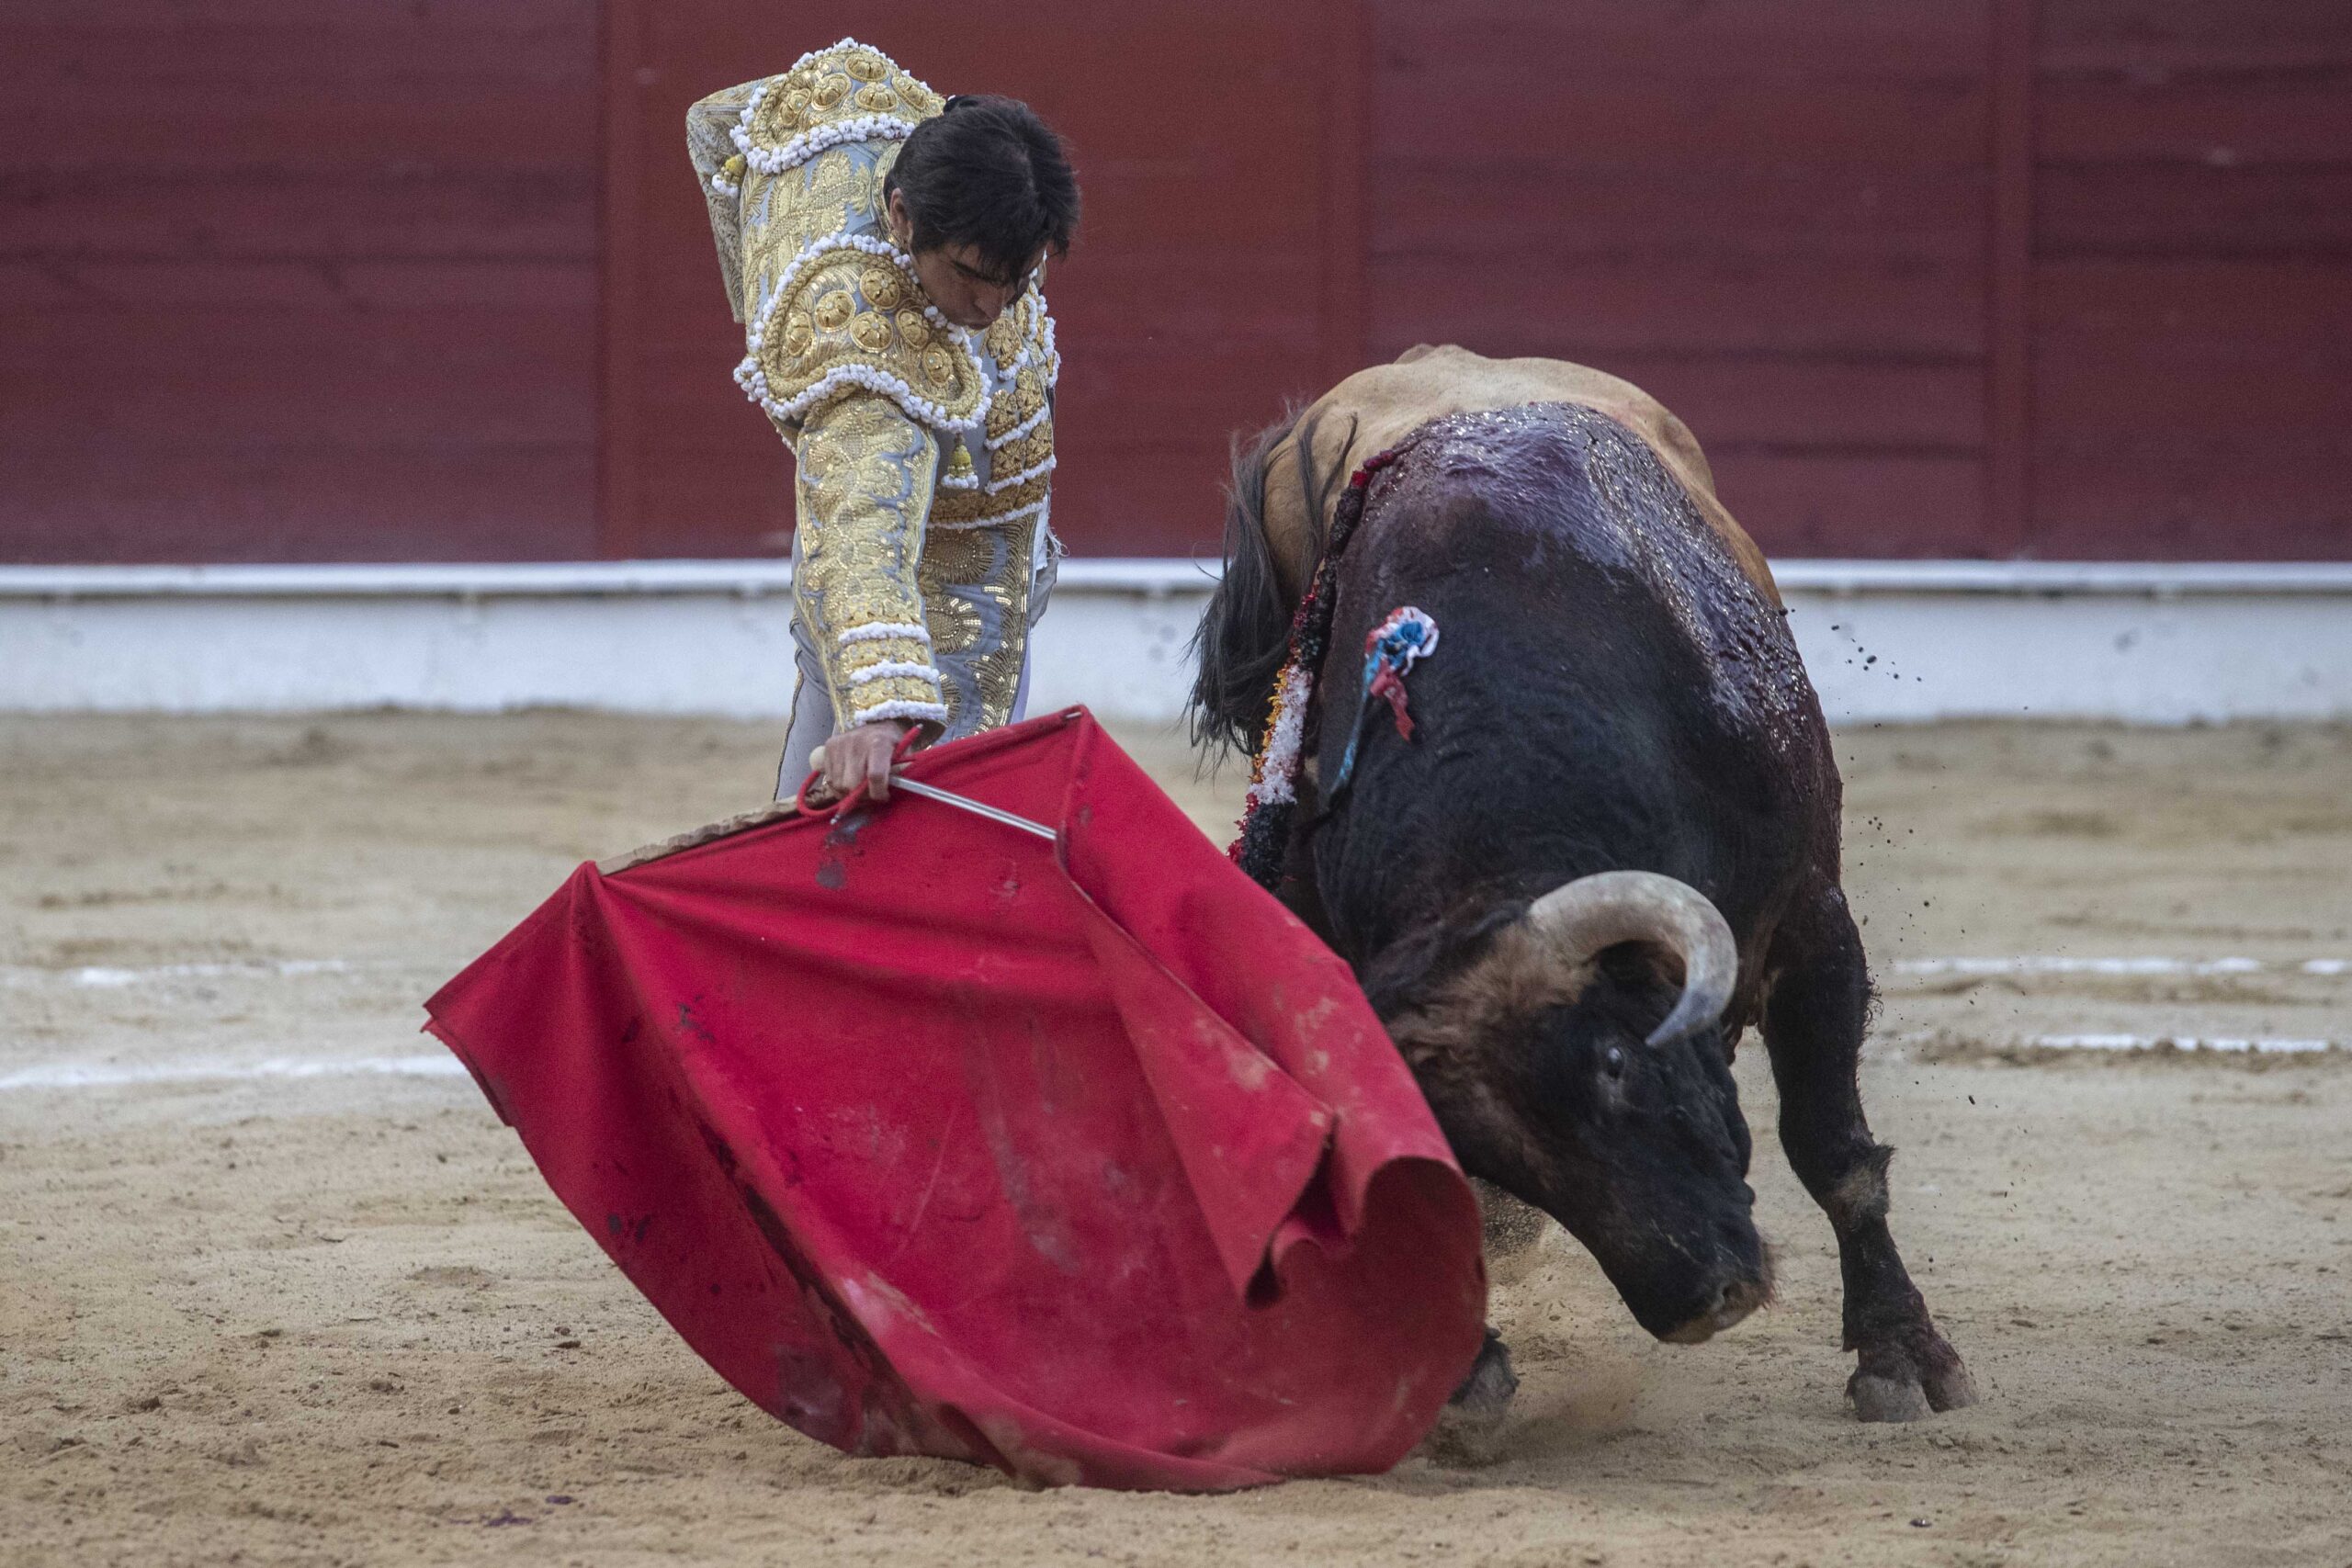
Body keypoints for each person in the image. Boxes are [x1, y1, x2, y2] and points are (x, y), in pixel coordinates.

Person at [686, 39, 1080, 802]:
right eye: (969, 274)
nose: (992, 307)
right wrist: (882, 708)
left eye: (1018, 279)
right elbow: (865, 516)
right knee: (912, 852)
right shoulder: (863, 337)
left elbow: (719, 122)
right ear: (900, 216)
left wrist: (761, 302)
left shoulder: (866, 117)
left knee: (825, 839)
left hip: (983, 553)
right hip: (912, 606)